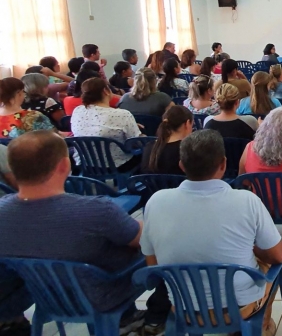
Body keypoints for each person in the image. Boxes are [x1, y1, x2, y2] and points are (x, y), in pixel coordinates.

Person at [0, 132, 170, 332]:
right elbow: (142, 240)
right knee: (157, 247)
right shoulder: (97, 211)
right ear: (64, 165)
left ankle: (128, 318)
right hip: (103, 294)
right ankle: (156, 315)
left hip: (42, 297)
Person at [140, 129, 282, 336]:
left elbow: (153, 266)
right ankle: (262, 326)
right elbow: (279, 255)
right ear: (224, 164)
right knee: (272, 262)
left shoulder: (155, 202)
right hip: (239, 309)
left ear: (181, 166)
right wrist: (251, 248)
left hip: (183, 309)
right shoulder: (246, 201)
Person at [71, 78, 142, 172]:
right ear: (106, 91)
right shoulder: (122, 115)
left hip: (85, 164)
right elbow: (136, 141)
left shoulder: (77, 111)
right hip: (116, 165)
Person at [141, 105, 193, 175]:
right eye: (192, 125)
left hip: (154, 186)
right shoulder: (188, 149)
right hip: (181, 186)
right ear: (187, 123)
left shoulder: (149, 147)